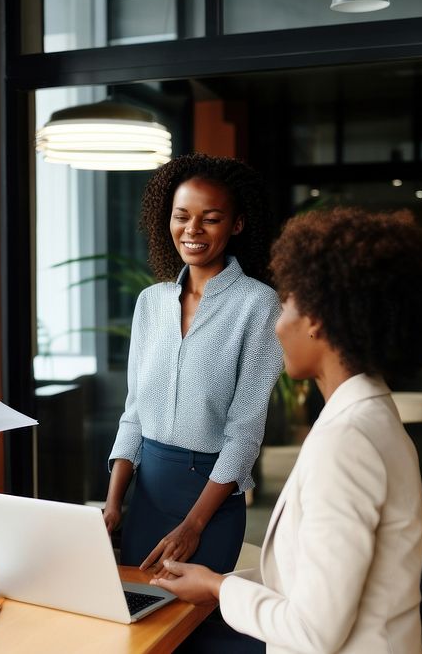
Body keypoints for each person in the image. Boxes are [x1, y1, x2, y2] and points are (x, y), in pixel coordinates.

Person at [152, 208, 422, 653]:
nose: (277, 323)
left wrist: (219, 590)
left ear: (316, 318)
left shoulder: (347, 441)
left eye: (287, 303)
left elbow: (313, 632)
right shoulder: (370, 416)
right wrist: (216, 581)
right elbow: (319, 579)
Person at [104, 152, 284, 578]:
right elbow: (133, 414)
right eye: (181, 216)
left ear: (236, 225)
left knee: (193, 631)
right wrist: (113, 504)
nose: (193, 230)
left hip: (210, 501)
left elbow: (244, 432)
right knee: (140, 627)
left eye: (211, 218)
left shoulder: (258, 306)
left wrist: (194, 525)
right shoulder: (150, 303)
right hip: (145, 495)